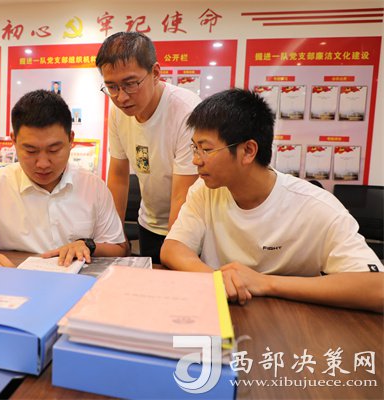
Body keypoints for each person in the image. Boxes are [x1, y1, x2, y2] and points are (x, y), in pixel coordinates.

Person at [161, 88, 383, 312]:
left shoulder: (316, 206)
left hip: (294, 323)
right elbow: (173, 248)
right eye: (195, 148)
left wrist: (264, 283)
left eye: (206, 149)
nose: (196, 160)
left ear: (248, 151)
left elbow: (377, 288)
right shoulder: (204, 191)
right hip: (223, 316)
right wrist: (219, 280)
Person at [0, 90, 128, 277]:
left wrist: (87, 245)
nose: (42, 163)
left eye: (54, 150)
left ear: (70, 140)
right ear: (14, 141)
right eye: (31, 151)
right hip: (17, 282)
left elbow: (120, 248)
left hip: (79, 287)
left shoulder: (93, 187)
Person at [96, 31, 201, 264]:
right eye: (112, 87)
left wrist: (173, 250)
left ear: (155, 73)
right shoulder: (118, 113)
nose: (121, 97)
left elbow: (182, 194)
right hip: (148, 223)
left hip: (189, 227)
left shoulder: (185, 111)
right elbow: (118, 176)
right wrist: (115, 236)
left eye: (130, 84)